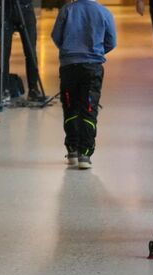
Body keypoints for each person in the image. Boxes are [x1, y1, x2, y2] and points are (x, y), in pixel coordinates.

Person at [51, 0, 116, 170]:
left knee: (70, 106)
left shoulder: (67, 10)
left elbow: (56, 36)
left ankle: (72, 149)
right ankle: (85, 154)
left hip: (68, 67)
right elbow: (112, 41)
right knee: (88, 108)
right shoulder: (104, 12)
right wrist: (96, 52)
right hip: (92, 68)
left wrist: (68, 50)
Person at [0, 0, 43, 100]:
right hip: (6, 9)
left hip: (25, 8)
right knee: (4, 52)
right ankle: (3, 89)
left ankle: (33, 89)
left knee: (30, 51)